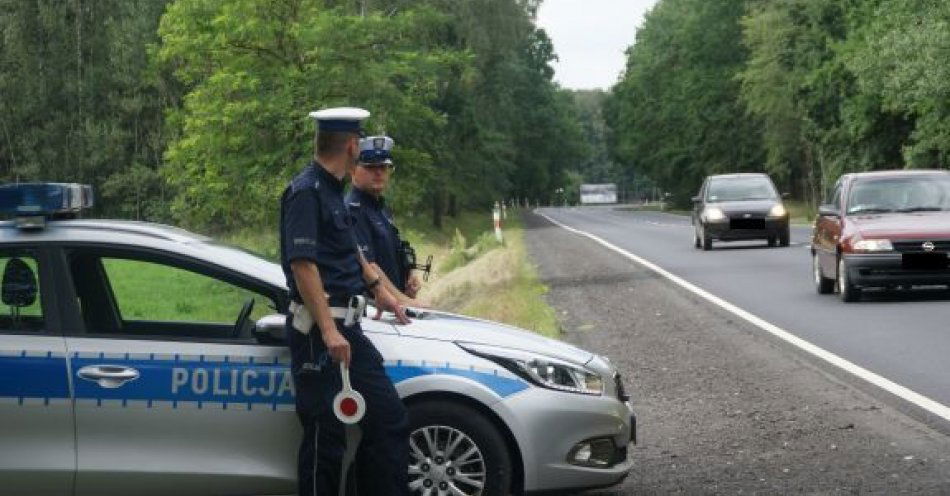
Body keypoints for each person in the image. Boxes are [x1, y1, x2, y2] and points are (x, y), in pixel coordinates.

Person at [279, 107, 410, 496]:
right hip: (319, 333)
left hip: (347, 326)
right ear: (352, 146)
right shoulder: (305, 192)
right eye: (360, 140)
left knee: (389, 420)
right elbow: (303, 266)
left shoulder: (333, 190)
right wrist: (329, 329)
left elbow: (348, 246)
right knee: (326, 439)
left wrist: (378, 288)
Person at [346, 136, 423, 302]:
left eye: (383, 166)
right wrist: (406, 302)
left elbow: (394, 253)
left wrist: (409, 276)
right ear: (352, 169)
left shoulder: (381, 209)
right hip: (371, 310)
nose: (379, 172)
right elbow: (369, 266)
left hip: (392, 307)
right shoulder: (352, 211)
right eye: (370, 167)